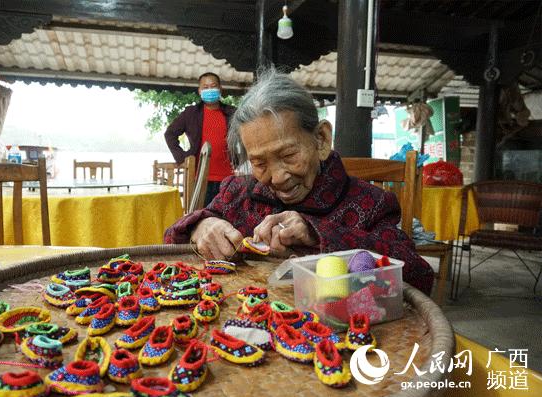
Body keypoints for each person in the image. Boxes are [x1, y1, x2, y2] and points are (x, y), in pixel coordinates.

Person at [164, 69, 434, 295]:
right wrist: (201, 225)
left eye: (289, 155)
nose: (278, 177)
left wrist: (317, 233)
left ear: (321, 139)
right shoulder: (239, 194)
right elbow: (168, 242)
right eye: (259, 163)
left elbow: (419, 275)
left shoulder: (369, 203)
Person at [164, 72, 236, 206]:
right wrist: (182, 158)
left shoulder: (232, 113)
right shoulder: (191, 113)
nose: (209, 90)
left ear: (220, 89)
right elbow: (170, 134)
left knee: (228, 219)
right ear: (199, 91)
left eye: (213, 86)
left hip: (229, 178)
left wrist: (240, 160)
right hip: (200, 178)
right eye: (205, 87)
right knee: (202, 220)